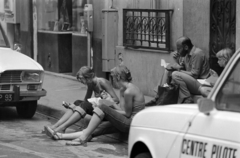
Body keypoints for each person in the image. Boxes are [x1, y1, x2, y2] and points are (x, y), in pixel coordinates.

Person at [45, 65, 145, 146]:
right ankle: (60, 135)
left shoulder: (129, 91)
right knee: (93, 130)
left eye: (113, 78)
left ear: (118, 77)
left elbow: (127, 115)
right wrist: (109, 101)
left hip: (131, 123)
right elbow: (121, 111)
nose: (112, 80)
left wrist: (108, 105)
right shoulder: (123, 89)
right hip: (124, 120)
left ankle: (82, 138)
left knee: (101, 107)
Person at [44, 66, 119, 135]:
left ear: (88, 77)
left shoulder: (102, 82)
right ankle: (56, 126)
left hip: (107, 111)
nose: (80, 81)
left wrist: (100, 101)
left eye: (81, 78)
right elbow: (86, 101)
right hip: (98, 108)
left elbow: (116, 100)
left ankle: (62, 127)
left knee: (83, 105)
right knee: (77, 102)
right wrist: (72, 106)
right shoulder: (90, 84)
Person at [165, 36, 210, 103]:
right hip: (192, 80)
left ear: (186, 47)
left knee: (175, 74)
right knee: (167, 71)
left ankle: (187, 98)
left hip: (200, 84)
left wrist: (178, 70)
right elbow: (183, 68)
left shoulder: (197, 54)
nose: (178, 52)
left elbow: (194, 74)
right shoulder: (186, 54)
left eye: (179, 49)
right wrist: (177, 61)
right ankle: (159, 96)